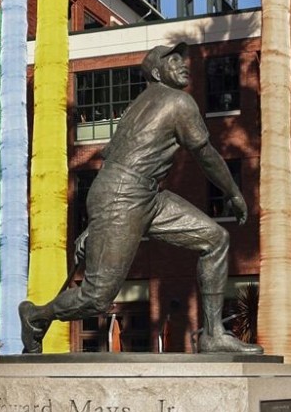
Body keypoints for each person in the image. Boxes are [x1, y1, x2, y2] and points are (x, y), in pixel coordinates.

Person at [19, 42, 263, 355]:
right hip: (124, 195)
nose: (183, 64)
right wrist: (232, 192)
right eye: (174, 60)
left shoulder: (143, 104)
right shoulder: (178, 102)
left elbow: (120, 161)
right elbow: (205, 155)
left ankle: (213, 334)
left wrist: (96, 227)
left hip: (146, 195)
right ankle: (37, 316)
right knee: (97, 298)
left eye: (182, 59)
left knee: (215, 239)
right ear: (157, 71)